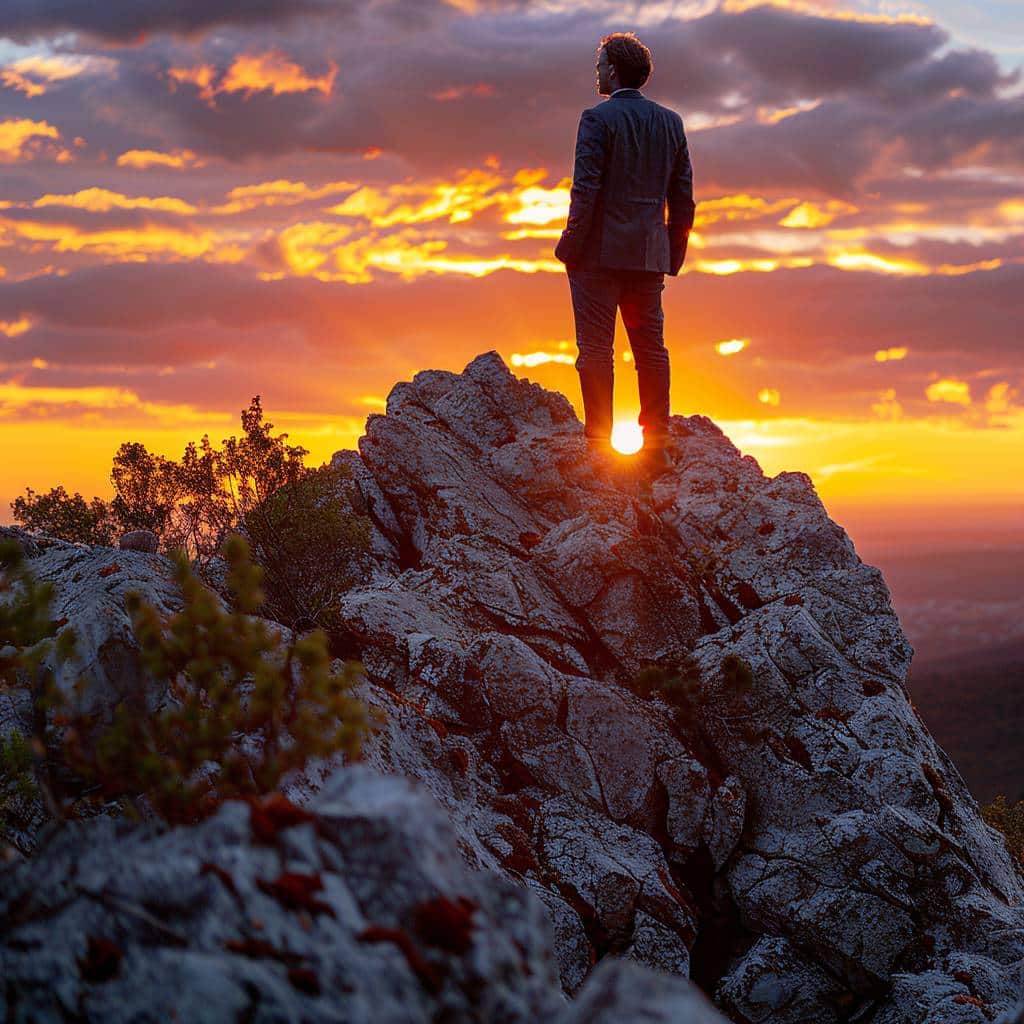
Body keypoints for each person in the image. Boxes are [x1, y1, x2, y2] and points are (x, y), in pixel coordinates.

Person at [554, 31, 695, 477]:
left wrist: (570, 246)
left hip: (597, 257)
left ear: (613, 70)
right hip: (647, 257)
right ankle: (656, 443)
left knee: (595, 351)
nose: (595, 70)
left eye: (599, 63)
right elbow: (684, 197)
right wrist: (670, 255)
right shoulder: (671, 123)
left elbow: (586, 189)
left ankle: (599, 447)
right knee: (651, 351)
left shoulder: (596, 120)